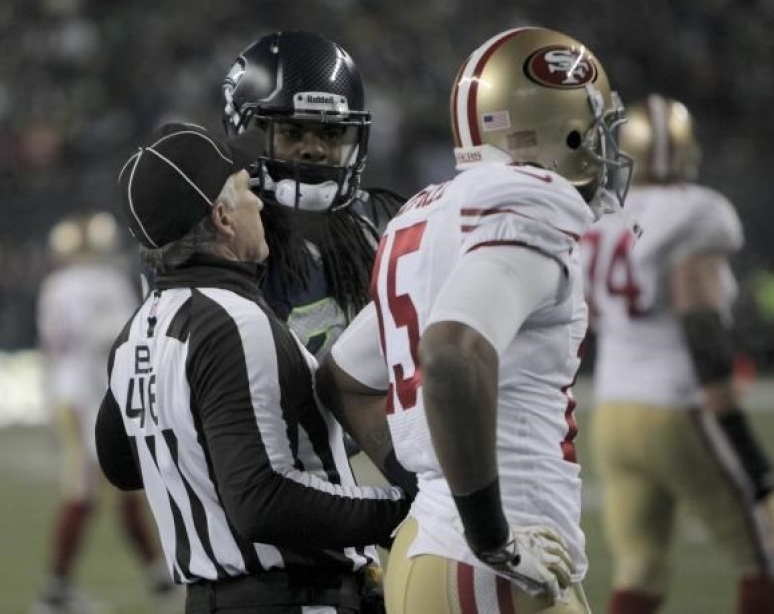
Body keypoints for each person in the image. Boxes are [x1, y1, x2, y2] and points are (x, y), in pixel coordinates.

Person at [316, 26, 633, 614]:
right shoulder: (530, 202)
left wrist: (432, 485)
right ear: (557, 130)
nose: (602, 145)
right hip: (487, 565)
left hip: (438, 546)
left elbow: (343, 377)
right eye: (591, 128)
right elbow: (452, 353)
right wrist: (491, 535)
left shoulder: (430, 213)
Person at [95, 121, 410, 614]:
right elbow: (261, 501)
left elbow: (121, 463)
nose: (259, 203)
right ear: (222, 218)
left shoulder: (137, 330)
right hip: (292, 598)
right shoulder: (233, 322)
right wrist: (402, 510)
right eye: (245, 191)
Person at [579, 94, 774, 614]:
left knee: (640, 567)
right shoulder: (695, 211)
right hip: (678, 406)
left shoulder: (603, 217)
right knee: (765, 556)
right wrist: (736, 429)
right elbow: (700, 320)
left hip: (612, 412)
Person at [221, 30, 405, 361]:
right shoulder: (219, 239)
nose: (315, 149)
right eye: (292, 131)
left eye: (331, 132)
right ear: (245, 135)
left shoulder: (376, 224)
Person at [33, 211, 181, 614]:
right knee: (92, 488)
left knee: (117, 486)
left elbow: (53, 346)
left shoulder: (55, 285)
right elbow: (124, 335)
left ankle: (155, 575)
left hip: (71, 393)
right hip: (94, 393)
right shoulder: (105, 282)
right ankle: (56, 590)